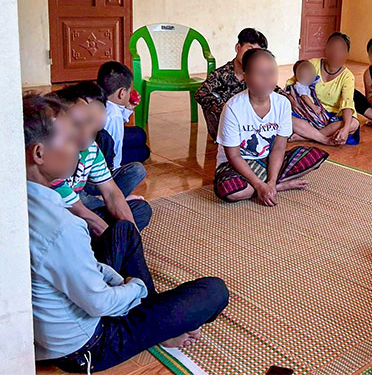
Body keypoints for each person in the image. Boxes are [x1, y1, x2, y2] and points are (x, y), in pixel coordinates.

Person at [24, 94, 229, 373]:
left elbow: (70, 266)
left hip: (61, 323)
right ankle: (160, 327)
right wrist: (135, 287)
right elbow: (99, 303)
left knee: (124, 230)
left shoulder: (22, 197)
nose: (78, 146)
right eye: (70, 140)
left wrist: (114, 279)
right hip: (87, 346)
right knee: (214, 291)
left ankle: (157, 320)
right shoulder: (62, 225)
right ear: (39, 154)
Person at [214, 48, 328, 204]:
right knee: (229, 188)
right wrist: (259, 184)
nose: (267, 79)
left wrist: (272, 181)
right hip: (237, 165)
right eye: (260, 73)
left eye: (271, 72)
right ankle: (277, 186)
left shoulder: (282, 104)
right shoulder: (233, 108)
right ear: (245, 77)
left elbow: (279, 147)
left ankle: (272, 186)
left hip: (266, 161)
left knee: (314, 156)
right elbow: (233, 155)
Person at [49, 82, 152, 233]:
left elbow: (111, 192)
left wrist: (130, 237)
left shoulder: (91, 147)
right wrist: (114, 238)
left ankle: (101, 242)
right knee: (79, 222)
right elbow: (78, 210)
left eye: (89, 121)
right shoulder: (53, 156)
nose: (85, 131)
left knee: (140, 210)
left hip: (80, 206)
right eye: (76, 124)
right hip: (61, 220)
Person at [195, 28, 277, 140]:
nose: (252, 57)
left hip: (257, 124)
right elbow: (201, 93)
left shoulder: (258, 75)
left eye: (257, 53)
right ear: (238, 48)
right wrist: (225, 108)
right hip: (231, 127)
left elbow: (275, 90)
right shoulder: (221, 74)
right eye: (250, 50)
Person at [286, 32, 360, 145]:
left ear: (347, 54)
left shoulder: (347, 76)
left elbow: (347, 103)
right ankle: (322, 138)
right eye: (333, 48)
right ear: (326, 49)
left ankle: (308, 136)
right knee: (287, 117)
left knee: (353, 124)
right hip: (308, 112)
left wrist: (345, 128)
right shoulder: (312, 64)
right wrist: (293, 102)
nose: (336, 53)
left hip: (331, 118)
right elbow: (291, 84)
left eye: (341, 49)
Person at [98, 61, 150, 167]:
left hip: (99, 144)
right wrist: (115, 169)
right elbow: (113, 148)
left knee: (139, 134)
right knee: (143, 151)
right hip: (104, 156)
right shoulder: (114, 115)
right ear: (122, 93)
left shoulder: (97, 99)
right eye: (128, 90)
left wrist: (127, 109)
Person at [284, 59, 329, 129]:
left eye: (310, 74)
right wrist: (313, 107)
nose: (309, 77)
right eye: (304, 75)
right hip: (305, 107)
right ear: (297, 77)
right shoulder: (300, 86)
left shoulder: (310, 84)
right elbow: (304, 97)